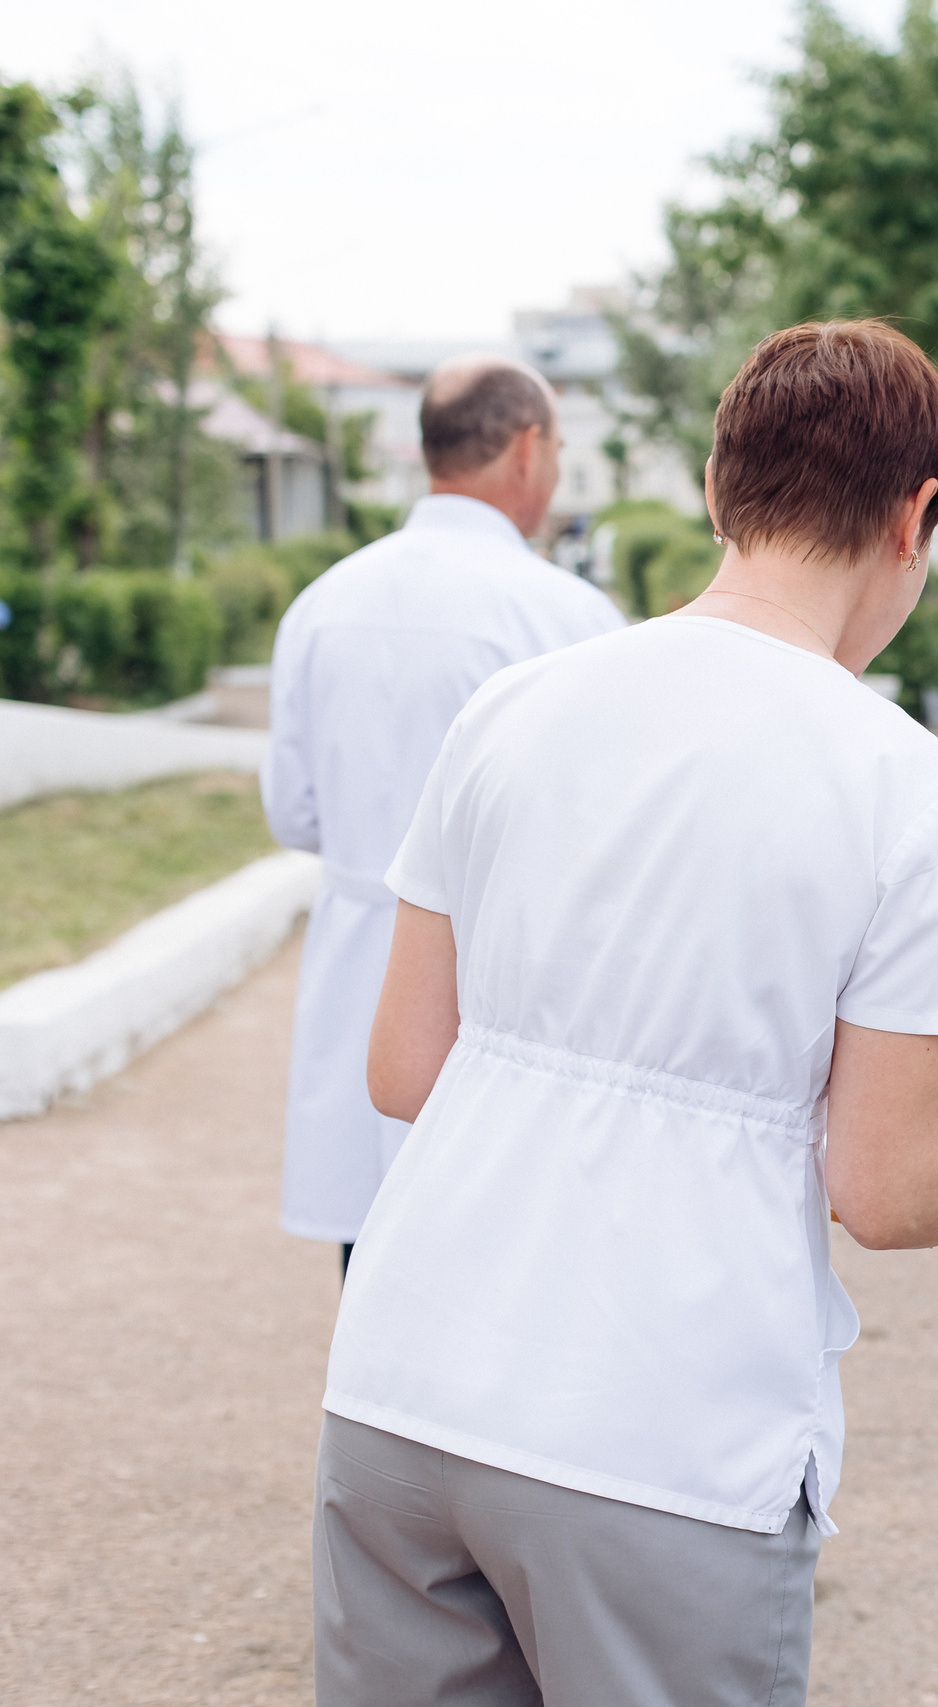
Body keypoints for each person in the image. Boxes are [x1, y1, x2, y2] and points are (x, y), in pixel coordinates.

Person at [319, 322, 938, 1704]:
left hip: (403, 1383)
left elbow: (405, 1066)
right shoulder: (908, 788)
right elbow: (889, 1186)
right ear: (917, 512)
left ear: (716, 485)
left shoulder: (511, 710)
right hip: (662, 1429)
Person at [261, 355, 623, 1278]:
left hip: (360, 972)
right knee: (503, 1265)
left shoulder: (322, 604)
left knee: (374, 1263)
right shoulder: (569, 615)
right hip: (505, 984)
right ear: (529, 448)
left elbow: (294, 812)